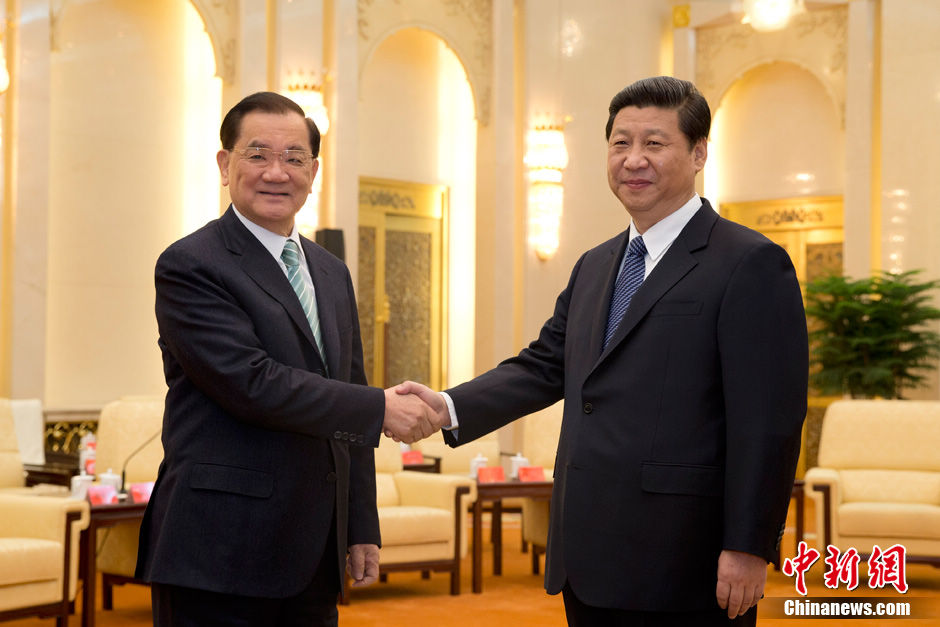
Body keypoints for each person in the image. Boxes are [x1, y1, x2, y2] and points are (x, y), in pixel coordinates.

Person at [399, 76, 807, 626]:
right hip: (588, 556)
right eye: (621, 143)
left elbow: (769, 422)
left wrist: (749, 546)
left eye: (654, 143)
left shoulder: (749, 262)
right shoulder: (596, 264)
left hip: (687, 562)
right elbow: (545, 365)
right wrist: (446, 406)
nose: (633, 159)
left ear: (699, 153)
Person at [136, 91, 439, 627]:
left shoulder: (330, 271)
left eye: (294, 158)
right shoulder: (191, 265)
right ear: (225, 165)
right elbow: (252, 383)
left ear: (314, 171)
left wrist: (360, 523)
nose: (277, 172)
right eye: (258, 155)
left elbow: (349, 388)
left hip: (312, 553)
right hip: (218, 552)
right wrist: (379, 409)